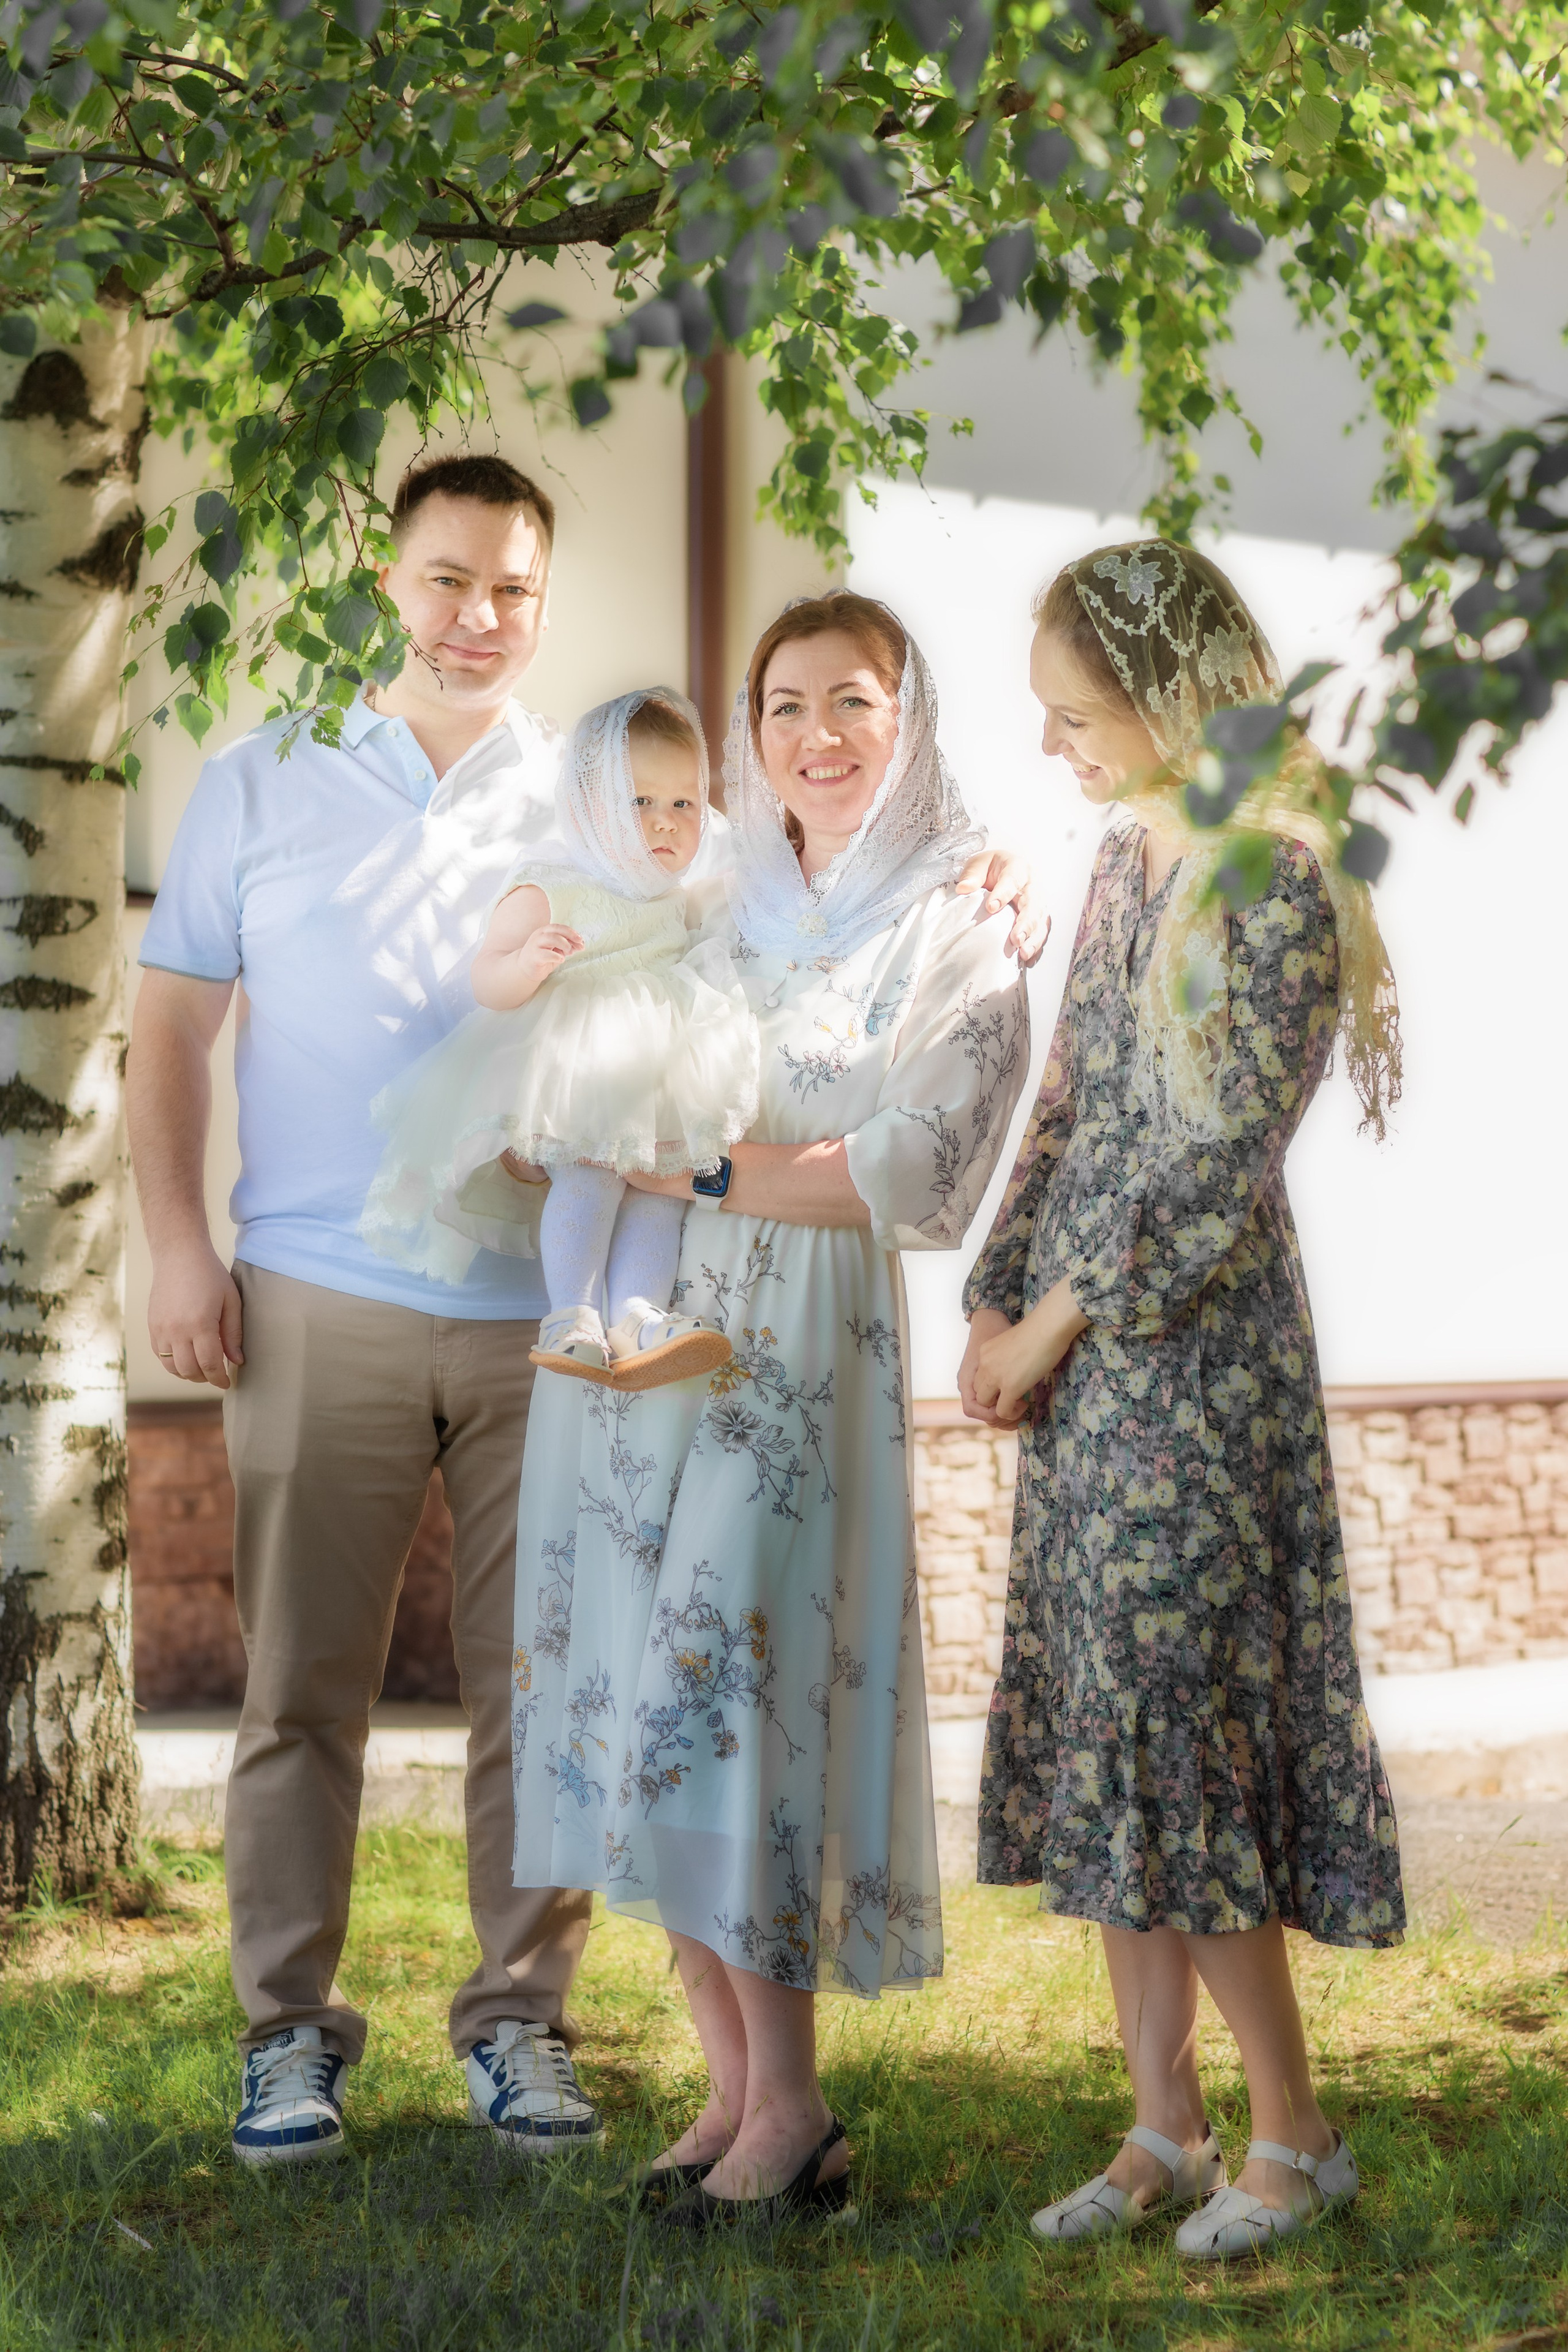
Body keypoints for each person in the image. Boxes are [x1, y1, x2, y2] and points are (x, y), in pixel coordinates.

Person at [126, 460, 1044, 2170]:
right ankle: (286, 2038)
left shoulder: (602, 784)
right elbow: (170, 1030)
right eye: (447, 579)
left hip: (556, 1318)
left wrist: (1004, 886)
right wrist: (177, 1250)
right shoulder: (264, 775)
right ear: (383, 574)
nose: (479, 617)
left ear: (546, 604)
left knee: (547, 1690)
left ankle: (520, 2029)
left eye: (514, 590)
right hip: (316, 1285)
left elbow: (803, 901)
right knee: (298, 1690)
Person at [509, 592, 1031, 2226]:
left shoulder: (960, 915)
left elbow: (927, 1165)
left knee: (729, 1700)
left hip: (796, 1356)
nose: (819, 732)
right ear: (751, 727)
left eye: (856, 700)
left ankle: (794, 2099)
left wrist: (711, 1166)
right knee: (630, 1690)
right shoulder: (712, 889)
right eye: (788, 702)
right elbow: (583, 986)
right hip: (650, 1342)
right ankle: (730, 2085)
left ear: (910, 719)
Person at [959, 540, 1406, 2261]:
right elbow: (1066, 1098)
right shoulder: (1122, 859)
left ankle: (1295, 2133)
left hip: (1192, 1366)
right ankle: (1161, 2125)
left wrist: (1055, 1325)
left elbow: (1221, 1162)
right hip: (1078, 1359)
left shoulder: (1276, 874)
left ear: (1169, 696)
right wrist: (994, 1296)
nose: (1060, 743)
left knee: (1176, 1723)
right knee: (1107, 1729)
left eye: (1079, 715)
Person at [361, 687, 758, 1389]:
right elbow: (486, 979)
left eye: (683, 804)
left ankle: (637, 1314)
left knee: (661, 1192)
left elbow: (736, 898)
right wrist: (528, 962)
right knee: (590, 1177)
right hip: (579, 1066)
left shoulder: (675, 896)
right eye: (639, 802)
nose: (664, 824)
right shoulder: (552, 882)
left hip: (655, 1075)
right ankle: (570, 1313)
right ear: (587, 804)